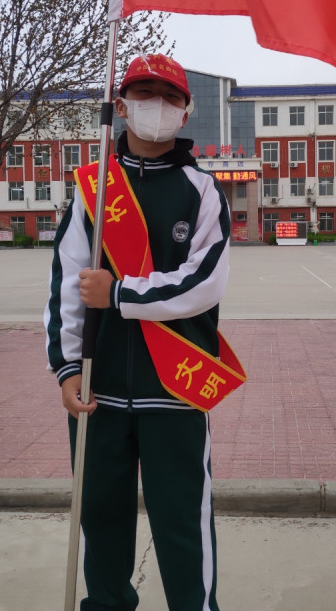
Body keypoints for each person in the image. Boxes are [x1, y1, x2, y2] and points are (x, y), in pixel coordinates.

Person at [44, 54, 235, 611]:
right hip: (98, 388)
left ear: (186, 112)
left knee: (183, 523)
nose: (158, 105)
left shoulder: (202, 190)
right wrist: (66, 368)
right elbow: (67, 285)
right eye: (145, 94)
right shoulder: (93, 189)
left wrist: (121, 294)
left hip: (175, 385)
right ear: (122, 107)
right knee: (100, 519)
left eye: (171, 97)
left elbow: (204, 282)